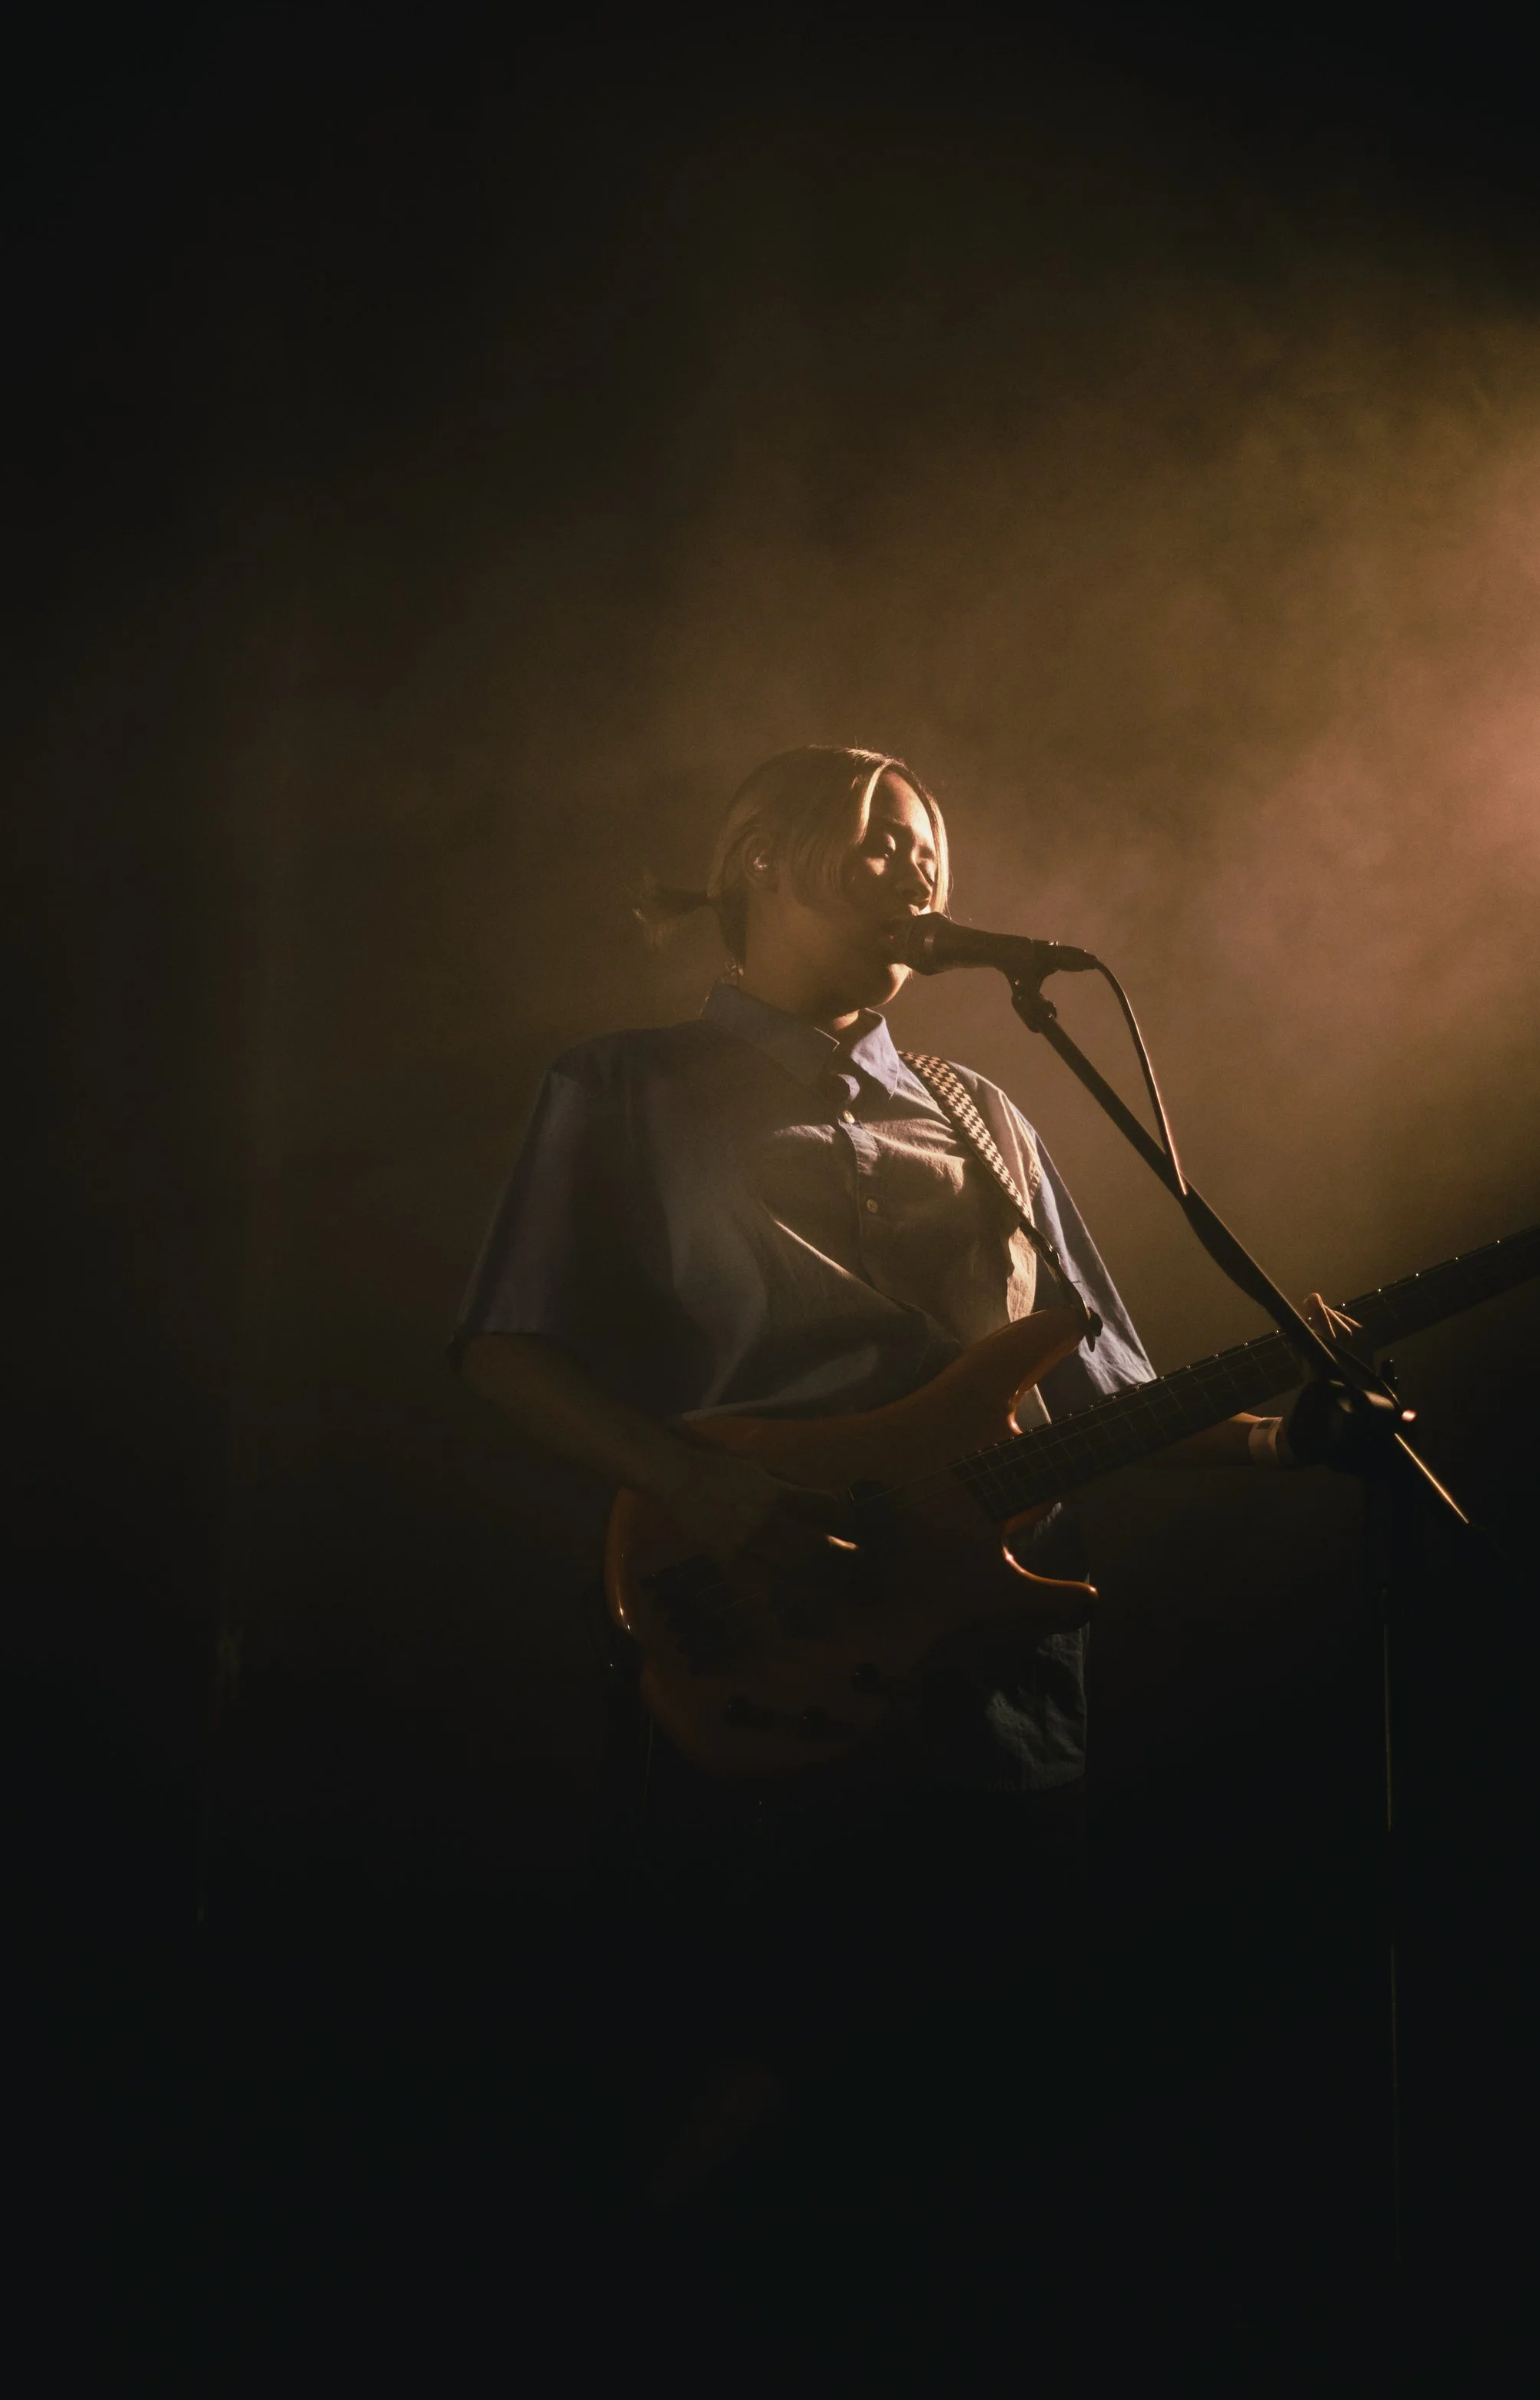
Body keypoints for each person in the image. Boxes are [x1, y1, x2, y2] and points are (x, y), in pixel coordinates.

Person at [454, 746, 1329, 2243]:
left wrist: (1276, 1438)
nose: (917, 870)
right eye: (877, 841)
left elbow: (1101, 1393)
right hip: (767, 1613)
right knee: (750, 2041)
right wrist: (698, 1487)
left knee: (970, 2084)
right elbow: (502, 1347)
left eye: (931, 848)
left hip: (987, 1661)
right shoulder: (622, 1084)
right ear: (758, 858)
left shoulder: (985, 1112)